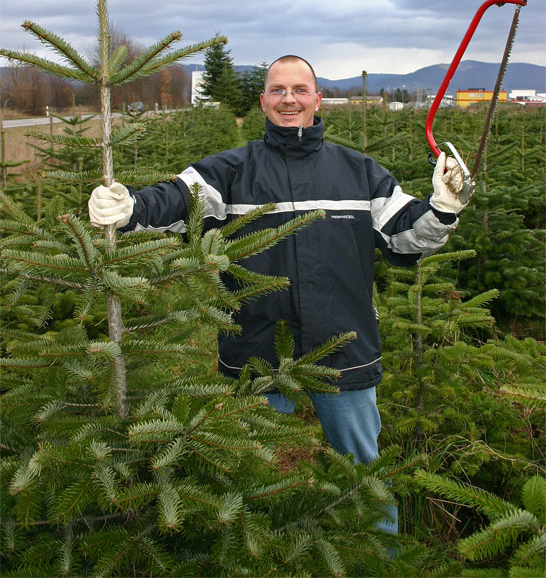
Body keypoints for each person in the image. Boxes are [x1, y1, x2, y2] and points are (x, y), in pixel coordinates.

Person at [89, 55, 465, 530]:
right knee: (252, 475)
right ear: (264, 101)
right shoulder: (230, 170)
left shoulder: (360, 172)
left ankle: (381, 559)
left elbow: (405, 239)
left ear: (317, 98)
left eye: (300, 90)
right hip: (257, 349)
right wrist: (130, 207)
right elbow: (179, 199)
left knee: (363, 473)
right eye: (279, 90)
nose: (290, 99)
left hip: (343, 346)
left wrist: (444, 209)